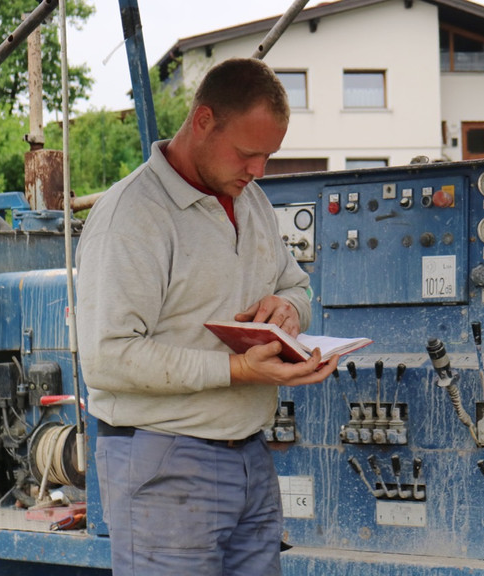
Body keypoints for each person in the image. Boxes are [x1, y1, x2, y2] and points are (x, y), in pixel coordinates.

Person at [76, 58, 338, 575]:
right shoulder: (133, 216)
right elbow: (107, 359)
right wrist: (237, 370)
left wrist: (289, 308)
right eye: (248, 153)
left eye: (269, 155)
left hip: (249, 457)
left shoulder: (252, 201)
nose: (259, 170)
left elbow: (299, 283)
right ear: (202, 121)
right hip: (164, 461)